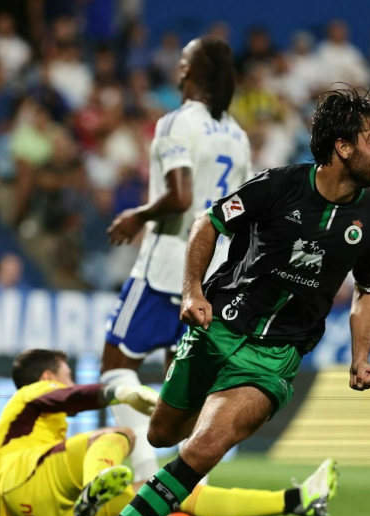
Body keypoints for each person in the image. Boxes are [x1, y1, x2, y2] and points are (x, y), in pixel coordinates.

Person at [76, 87, 370, 516]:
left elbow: (368, 292)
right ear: (343, 147)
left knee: (202, 451)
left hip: (276, 355)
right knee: (162, 435)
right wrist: (192, 290)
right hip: (219, 328)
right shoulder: (278, 185)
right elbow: (208, 224)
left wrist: (362, 357)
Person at [0, 349, 338, 516]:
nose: (70, 381)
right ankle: (98, 481)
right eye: (66, 374)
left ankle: (296, 501)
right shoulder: (29, 396)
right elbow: (71, 396)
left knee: (168, 493)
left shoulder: (27, 436)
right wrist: (116, 392)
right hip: (30, 485)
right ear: (48, 378)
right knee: (118, 436)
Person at [100, 35, 250, 485]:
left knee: (115, 367)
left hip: (165, 265)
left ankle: (143, 474)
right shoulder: (238, 137)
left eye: (184, 60)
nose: (178, 67)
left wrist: (137, 214)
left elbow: (181, 196)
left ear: (189, 72)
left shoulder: (175, 124)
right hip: (209, 274)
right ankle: (192, 488)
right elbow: (239, 212)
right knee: (180, 380)